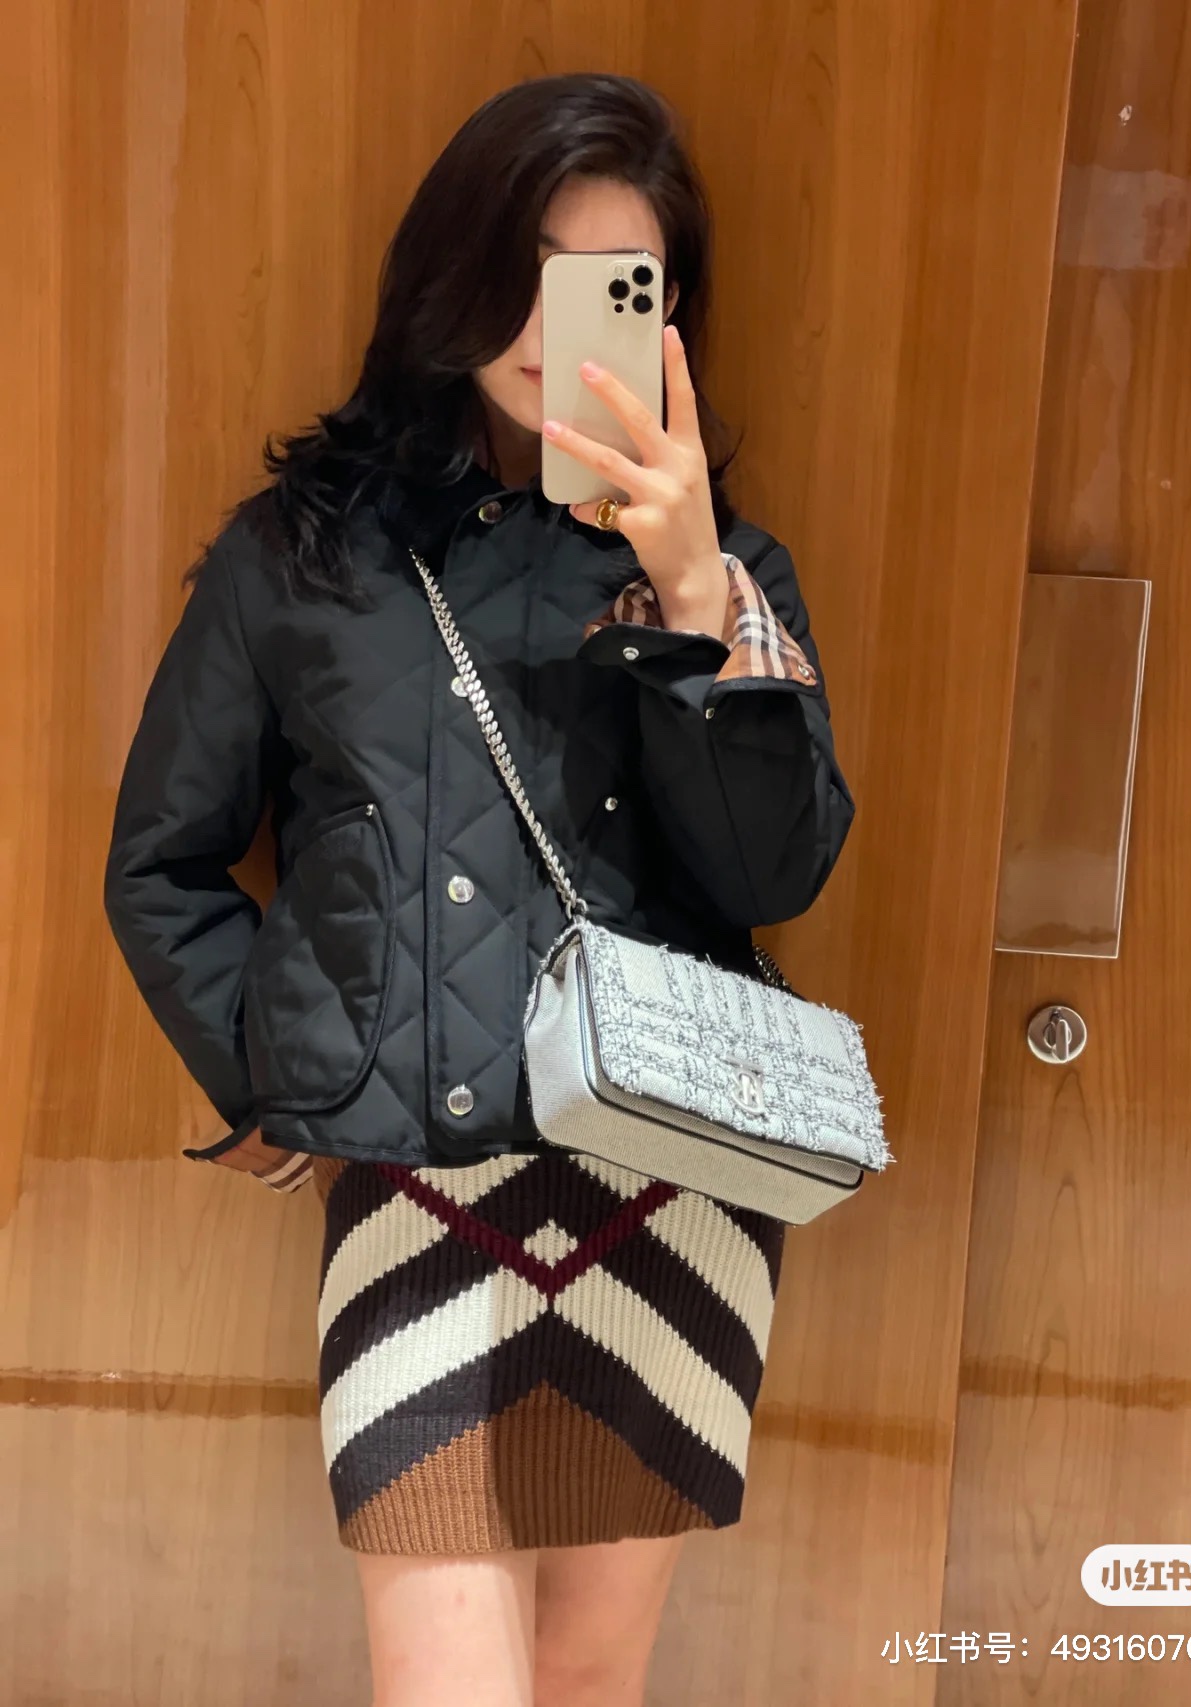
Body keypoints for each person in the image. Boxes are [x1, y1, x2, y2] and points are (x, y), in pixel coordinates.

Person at [103, 71, 855, 1707]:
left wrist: (689, 587)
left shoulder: (728, 576)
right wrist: (280, 1082)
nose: (547, 323)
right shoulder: (303, 556)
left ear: (666, 318)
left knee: (590, 1681)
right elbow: (161, 862)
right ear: (451, 268)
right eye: (524, 267)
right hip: (416, 1209)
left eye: (608, 285)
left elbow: (774, 870)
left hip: (672, 1199)